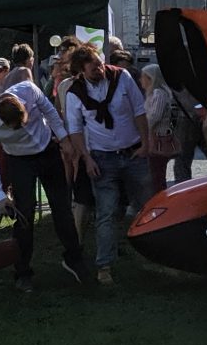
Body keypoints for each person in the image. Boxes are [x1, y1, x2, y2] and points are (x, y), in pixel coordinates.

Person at [0, 76, 89, 292]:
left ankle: (74, 259)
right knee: (24, 216)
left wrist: (65, 139)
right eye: (14, 128)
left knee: (63, 210)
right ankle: (22, 272)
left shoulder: (29, 90)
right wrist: (1, 196)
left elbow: (50, 113)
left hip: (48, 151)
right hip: (20, 161)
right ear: (2, 121)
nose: (21, 128)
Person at [62, 43, 150, 286]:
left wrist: (145, 143)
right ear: (81, 71)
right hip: (102, 158)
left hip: (133, 153)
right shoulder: (74, 93)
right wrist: (87, 158)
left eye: (99, 65)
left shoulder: (122, 77)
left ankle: (157, 258)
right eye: (92, 69)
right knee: (106, 212)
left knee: (147, 206)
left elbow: (139, 110)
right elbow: (75, 129)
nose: (99, 70)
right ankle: (104, 266)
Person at [140, 63, 179, 191]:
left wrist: (141, 127)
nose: (141, 80)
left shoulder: (158, 93)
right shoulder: (151, 94)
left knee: (157, 173)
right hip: (155, 136)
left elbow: (154, 116)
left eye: (144, 77)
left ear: (151, 78)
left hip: (159, 137)